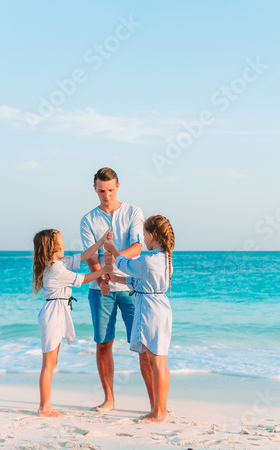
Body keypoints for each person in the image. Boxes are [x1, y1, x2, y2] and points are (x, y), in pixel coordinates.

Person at [80, 167, 153, 412]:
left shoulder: (133, 212)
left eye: (110, 190)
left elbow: (137, 246)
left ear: (117, 186)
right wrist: (102, 278)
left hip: (131, 285)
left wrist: (116, 262)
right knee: (103, 343)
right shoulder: (88, 220)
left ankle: (156, 402)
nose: (106, 196)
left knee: (142, 344)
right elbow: (91, 256)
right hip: (100, 289)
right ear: (95, 189)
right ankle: (109, 399)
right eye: (101, 191)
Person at [33, 227, 113, 417]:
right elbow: (84, 278)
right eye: (61, 243)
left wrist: (102, 240)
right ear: (52, 247)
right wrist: (105, 270)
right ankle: (45, 407)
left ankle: (46, 405)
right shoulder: (56, 269)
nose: (65, 245)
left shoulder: (58, 264)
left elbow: (84, 256)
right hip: (53, 314)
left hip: (58, 312)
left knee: (52, 362)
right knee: (49, 363)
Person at [104, 214, 175, 423]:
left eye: (144, 235)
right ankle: (160, 408)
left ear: (152, 236)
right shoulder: (165, 259)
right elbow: (137, 281)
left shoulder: (148, 260)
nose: (143, 240)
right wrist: (114, 279)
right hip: (161, 307)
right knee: (161, 361)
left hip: (150, 310)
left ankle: (158, 413)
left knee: (156, 361)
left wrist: (112, 249)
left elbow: (125, 264)